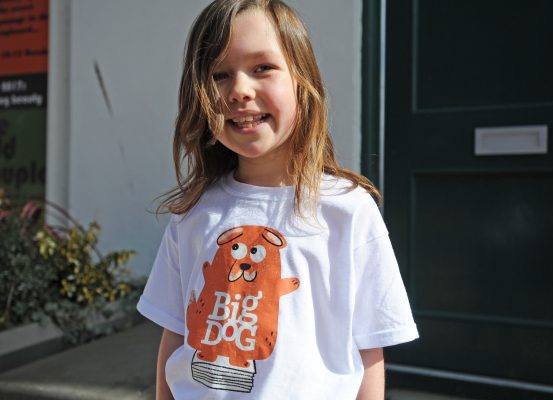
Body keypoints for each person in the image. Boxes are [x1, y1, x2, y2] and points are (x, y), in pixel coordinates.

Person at [137, 0, 418, 398]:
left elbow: (369, 347)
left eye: (262, 68)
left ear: (303, 83)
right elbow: (175, 335)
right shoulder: (194, 212)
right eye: (218, 74)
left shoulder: (349, 211)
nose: (239, 90)